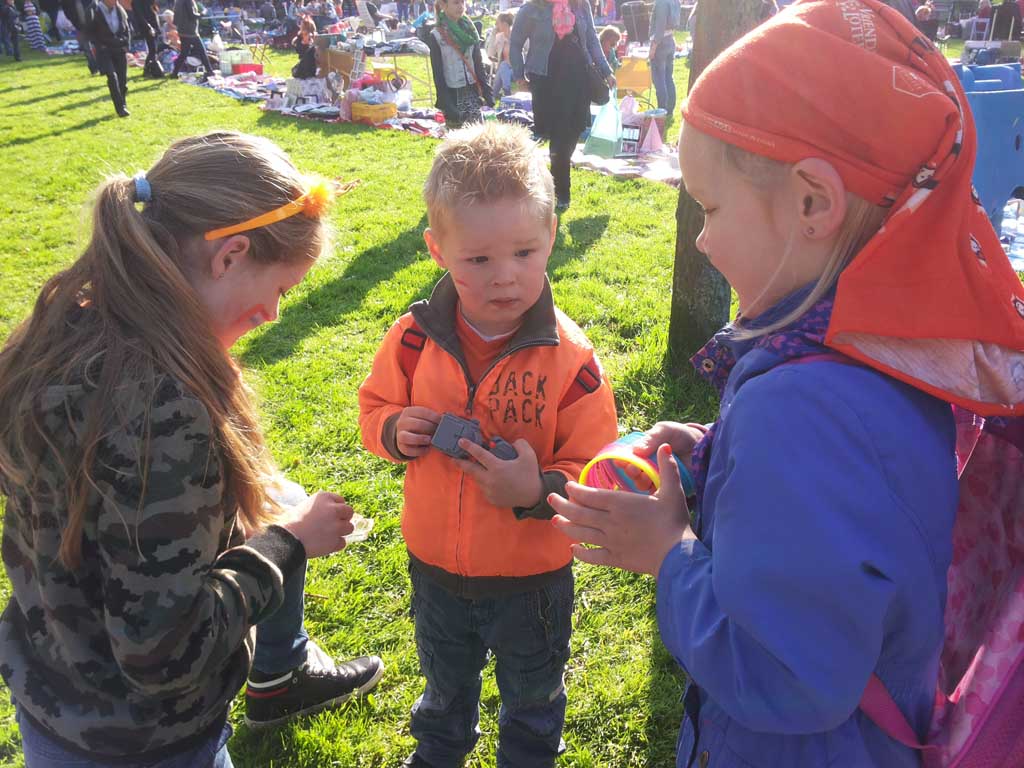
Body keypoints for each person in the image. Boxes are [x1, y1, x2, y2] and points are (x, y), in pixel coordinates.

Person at [549, 1, 1024, 767]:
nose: (700, 237)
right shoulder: (895, 353)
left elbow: (788, 677)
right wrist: (717, 452)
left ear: (812, 203)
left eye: (709, 207)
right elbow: (862, 500)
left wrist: (668, 553)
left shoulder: (800, 408)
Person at [0, 131, 385, 767]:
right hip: (149, 742)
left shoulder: (68, 324)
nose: (273, 315)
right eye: (282, 290)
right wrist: (285, 542)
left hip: (55, 702)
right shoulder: (162, 409)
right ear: (230, 255)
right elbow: (164, 654)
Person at [358, 121, 619, 768]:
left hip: (532, 580)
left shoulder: (573, 361)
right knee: (445, 693)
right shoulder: (413, 339)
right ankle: (438, 753)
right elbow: (373, 409)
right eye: (478, 259)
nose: (505, 277)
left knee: (532, 699)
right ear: (437, 250)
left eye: (524, 252)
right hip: (436, 570)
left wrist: (536, 490)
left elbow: (600, 472)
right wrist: (396, 428)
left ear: (552, 236)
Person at [510, 0, 614, 211]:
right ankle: (561, 192)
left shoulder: (581, 5)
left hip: (578, 78)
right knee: (558, 135)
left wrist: (606, 70)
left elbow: (593, 40)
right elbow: (515, 42)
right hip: (547, 79)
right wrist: (519, 74)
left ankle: (555, 173)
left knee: (574, 129)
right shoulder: (530, 9)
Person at [423, 0, 492, 127]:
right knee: (457, 141)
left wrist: (486, 90)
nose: (461, 7)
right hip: (452, 93)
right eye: (456, 3)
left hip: (472, 90)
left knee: (477, 138)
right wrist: (446, 102)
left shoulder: (471, 31)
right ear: (444, 5)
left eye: (462, 2)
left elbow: (478, 63)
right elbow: (438, 73)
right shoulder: (437, 35)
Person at [87, 0, 131, 116]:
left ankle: (123, 103)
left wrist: (126, 44)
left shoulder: (120, 10)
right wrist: (99, 45)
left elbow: (127, 28)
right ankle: (120, 108)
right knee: (112, 77)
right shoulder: (94, 9)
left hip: (119, 48)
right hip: (105, 50)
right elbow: (89, 31)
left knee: (122, 80)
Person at [647, 0, 679, 116]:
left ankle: (663, 109)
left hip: (661, 44)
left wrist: (653, 48)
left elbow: (660, 28)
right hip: (670, 40)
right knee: (668, 77)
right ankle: (669, 109)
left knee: (659, 79)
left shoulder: (661, 2)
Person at [172, 0, 214, 78]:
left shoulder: (177, 2)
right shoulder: (188, 1)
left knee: (184, 53)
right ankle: (210, 71)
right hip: (191, 32)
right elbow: (193, 16)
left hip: (182, 31)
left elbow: (175, 21)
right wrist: (203, 12)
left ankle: (174, 73)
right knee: (202, 52)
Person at [133, 0, 165, 76]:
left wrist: (157, 28)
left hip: (154, 27)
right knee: (152, 50)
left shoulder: (150, 2)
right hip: (147, 28)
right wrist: (149, 28)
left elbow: (154, 14)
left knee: (153, 50)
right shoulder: (137, 2)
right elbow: (140, 16)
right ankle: (148, 70)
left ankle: (149, 69)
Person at [491, 10, 514, 97]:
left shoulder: (516, 35)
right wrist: (493, 34)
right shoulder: (499, 37)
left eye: (498, 23)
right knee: (503, 66)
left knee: (503, 67)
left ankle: (493, 97)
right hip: (505, 69)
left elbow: (528, 49)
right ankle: (506, 92)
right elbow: (491, 53)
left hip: (516, 69)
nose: (496, 25)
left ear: (504, 24)